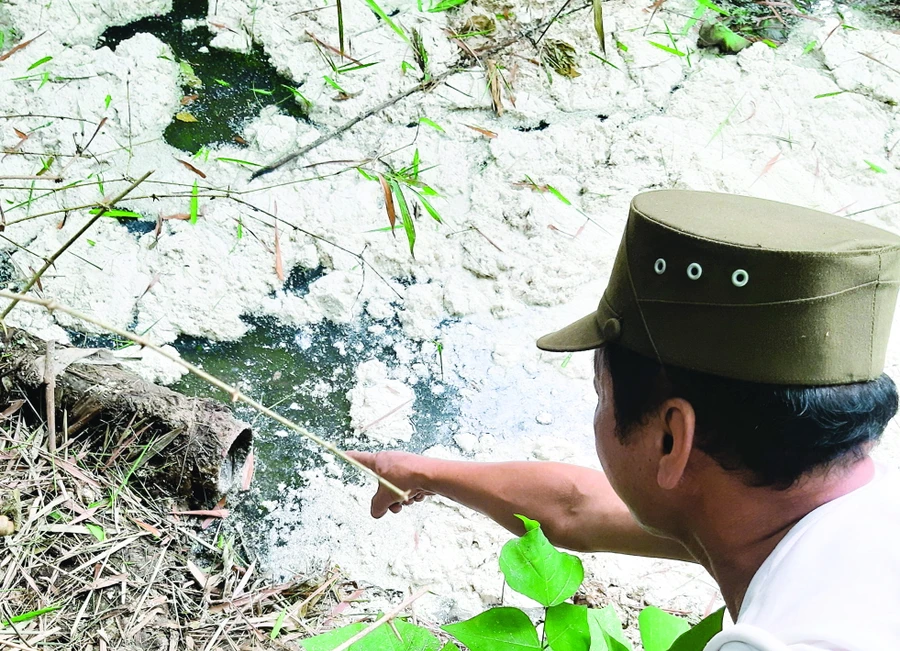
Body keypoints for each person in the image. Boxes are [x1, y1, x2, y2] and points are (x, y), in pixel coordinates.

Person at [349, 190, 900, 650]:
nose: (597, 412)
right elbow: (575, 508)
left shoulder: (788, 640)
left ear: (671, 439)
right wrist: (424, 473)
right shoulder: (826, 511)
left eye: (599, 394)